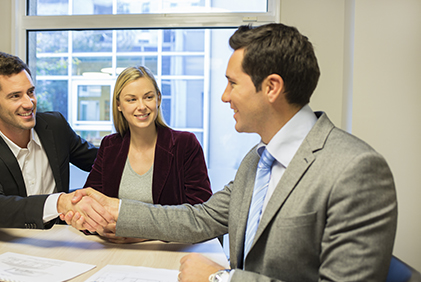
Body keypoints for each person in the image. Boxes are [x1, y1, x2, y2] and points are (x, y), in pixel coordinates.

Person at [62, 23, 398, 281]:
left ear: (271, 87)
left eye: (232, 83)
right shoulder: (257, 160)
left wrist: (219, 279)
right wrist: (114, 209)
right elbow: (201, 217)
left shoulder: (355, 169)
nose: (224, 96)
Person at [0, 52, 98, 229]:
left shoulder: (55, 126)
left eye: (30, 92)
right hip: (1, 240)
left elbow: (101, 163)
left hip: (56, 236)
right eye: (15, 96)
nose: (29, 103)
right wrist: (59, 203)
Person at [82, 66, 212, 243]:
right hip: (115, 252)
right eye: (132, 99)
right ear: (119, 105)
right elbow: (89, 205)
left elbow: (202, 215)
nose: (141, 106)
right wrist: (100, 229)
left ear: (158, 98)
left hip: (170, 252)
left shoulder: (185, 144)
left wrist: (138, 234)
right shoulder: (110, 146)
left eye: (148, 97)